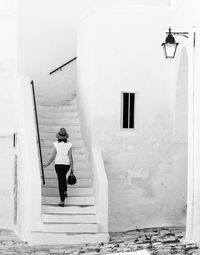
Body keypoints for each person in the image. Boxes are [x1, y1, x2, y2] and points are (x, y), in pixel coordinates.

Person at [43, 127, 74, 207]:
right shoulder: (69, 144)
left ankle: (62, 201)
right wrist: (72, 169)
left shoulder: (56, 144)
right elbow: (70, 157)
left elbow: (53, 156)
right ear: (66, 136)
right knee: (63, 177)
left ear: (59, 137)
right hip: (67, 165)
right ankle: (65, 191)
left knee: (61, 180)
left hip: (58, 165)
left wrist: (48, 163)